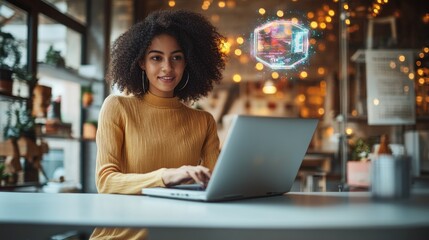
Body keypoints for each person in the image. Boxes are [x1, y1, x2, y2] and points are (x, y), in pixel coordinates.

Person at [90, 9, 226, 240]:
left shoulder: (203, 121)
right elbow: (105, 181)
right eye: (156, 57)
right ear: (141, 62)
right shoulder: (117, 107)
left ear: (188, 62)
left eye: (176, 57)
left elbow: (215, 187)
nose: (167, 68)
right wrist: (165, 176)